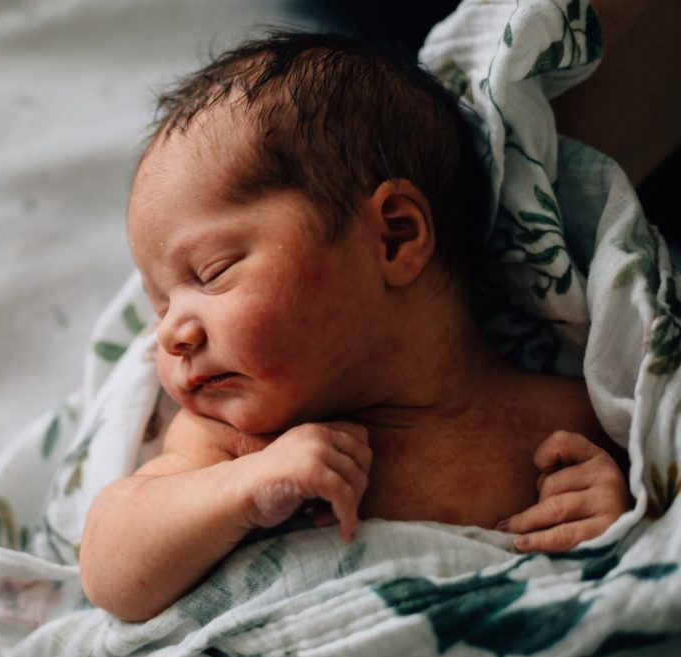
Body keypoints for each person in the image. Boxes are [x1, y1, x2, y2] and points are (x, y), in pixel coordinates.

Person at [78, 32, 630, 623]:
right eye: (162, 305)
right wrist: (246, 488)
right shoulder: (234, 445)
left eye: (211, 272)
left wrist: (611, 511)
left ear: (394, 236)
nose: (170, 336)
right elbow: (111, 573)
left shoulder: (565, 423)